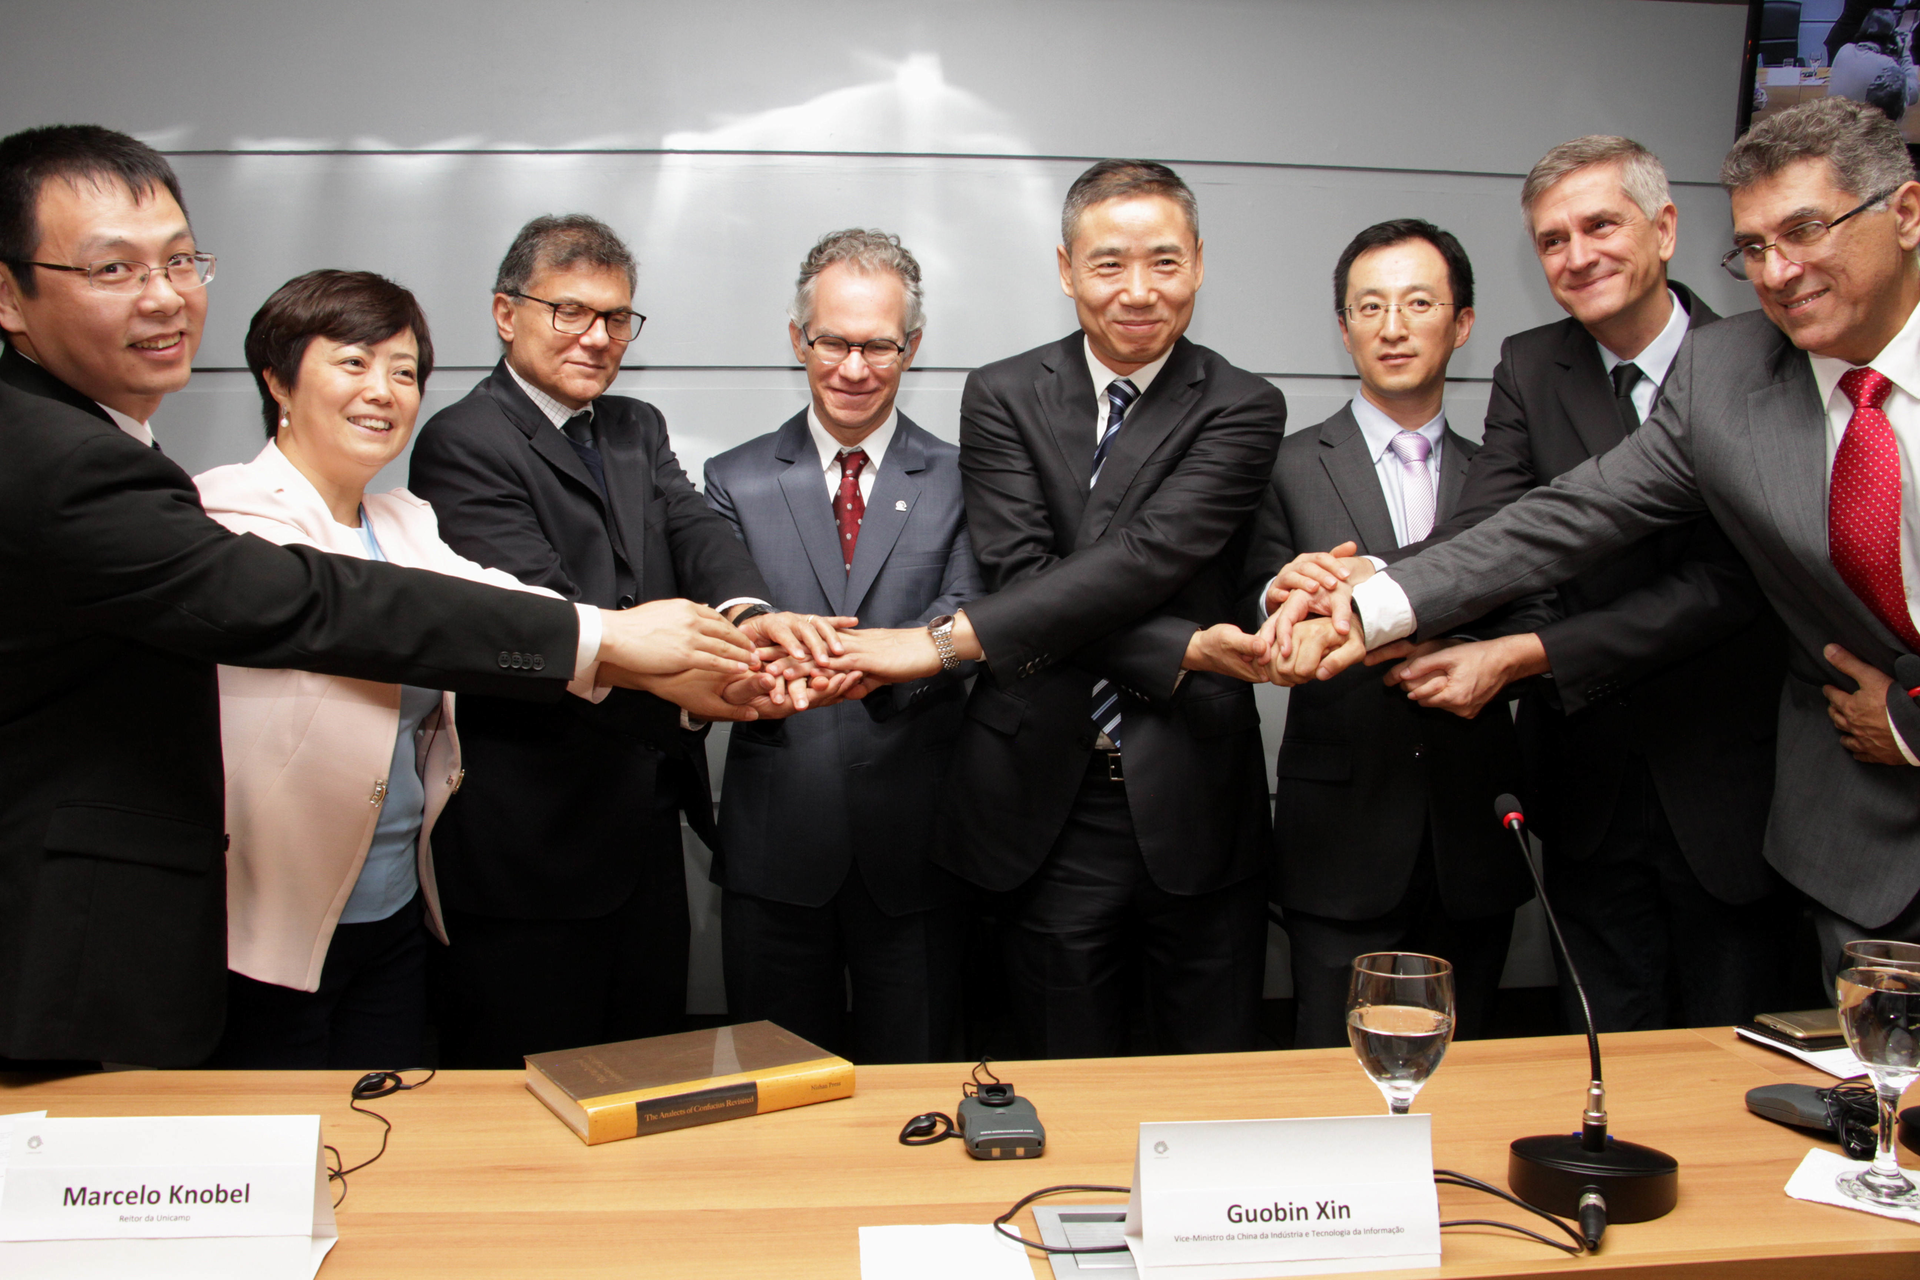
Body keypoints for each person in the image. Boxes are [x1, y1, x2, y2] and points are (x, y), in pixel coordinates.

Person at [0, 126, 760, 1070]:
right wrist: (609, 637)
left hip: (399, 908)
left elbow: (477, 598)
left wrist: (696, 642)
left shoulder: (401, 518)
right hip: (228, 932)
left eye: (181, 261)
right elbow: (339, 607)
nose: (162, 295)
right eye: (114, 267)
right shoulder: (183, 493)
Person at [1272, 98, 1920, 984]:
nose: (1779, 270)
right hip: (1753, 822)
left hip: (1748, 779)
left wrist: (1518, 656)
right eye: (1757, 248)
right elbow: (1559, 517)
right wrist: (1370, 603)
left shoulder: (1744, 352)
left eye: (1804, 230)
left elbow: (1729, 583)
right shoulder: (1716, 375)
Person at [827, 160, 1286, 1058]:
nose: (1138, 291)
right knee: (1060, 1075)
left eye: (1164, 261)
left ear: (1198, 263)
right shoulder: (1001, 392)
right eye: (1109, 264)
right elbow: (1022, 570)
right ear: (1067, 270)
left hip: (1194, 792)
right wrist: (1184, 648)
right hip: (1046, 797)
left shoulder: (1242, 404)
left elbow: (1149, 557)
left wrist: (950, 642)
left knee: (1215, 1078)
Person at [408, 215, 840, 1066]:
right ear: (505, 312)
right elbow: (550, 618)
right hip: (531, 842)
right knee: (528, 1085)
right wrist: (698, 688)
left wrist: (752, 618)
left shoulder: (634, 425)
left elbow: (692, 530)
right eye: (570, 312)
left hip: (643, 828)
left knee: (645, 1076)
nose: (597, 338)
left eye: (616, 318)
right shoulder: (464, 443)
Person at [194, 270, 576, 1067]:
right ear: (277, 378)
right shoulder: (228, 513)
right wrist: (626, 642)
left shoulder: (406, 521)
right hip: (271, 931)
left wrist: (683, 659)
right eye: (354, 363)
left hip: (397, 911)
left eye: (404, 372)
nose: (385, 391)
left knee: (386, 1147)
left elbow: (508, 611)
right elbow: (401, 620)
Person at [1242, 220, 1532, 1049]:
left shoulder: (1506, 475)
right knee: (1327, 1085)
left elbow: (1542, 605)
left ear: (1462, 323)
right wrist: (1277, 596)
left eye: (1418, 303)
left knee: (1471, 1079)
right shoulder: (1285, 463)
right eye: (1369, 306)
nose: (1393, 326)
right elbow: (1246, 589)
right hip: (1337, 837)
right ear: (1343, 327)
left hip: (1473, 835)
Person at [702, 229, 981, 1064]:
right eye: (833, 342)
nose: (854, 368)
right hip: (775, 847)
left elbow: (970, 612)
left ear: (914, 347)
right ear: (798, 339)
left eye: (878, 346)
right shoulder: (734, 478)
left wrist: (883, 668)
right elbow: (729, 624)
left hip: (921, 846)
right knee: (776, 1094)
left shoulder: (966, 476)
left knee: (920, 1089)